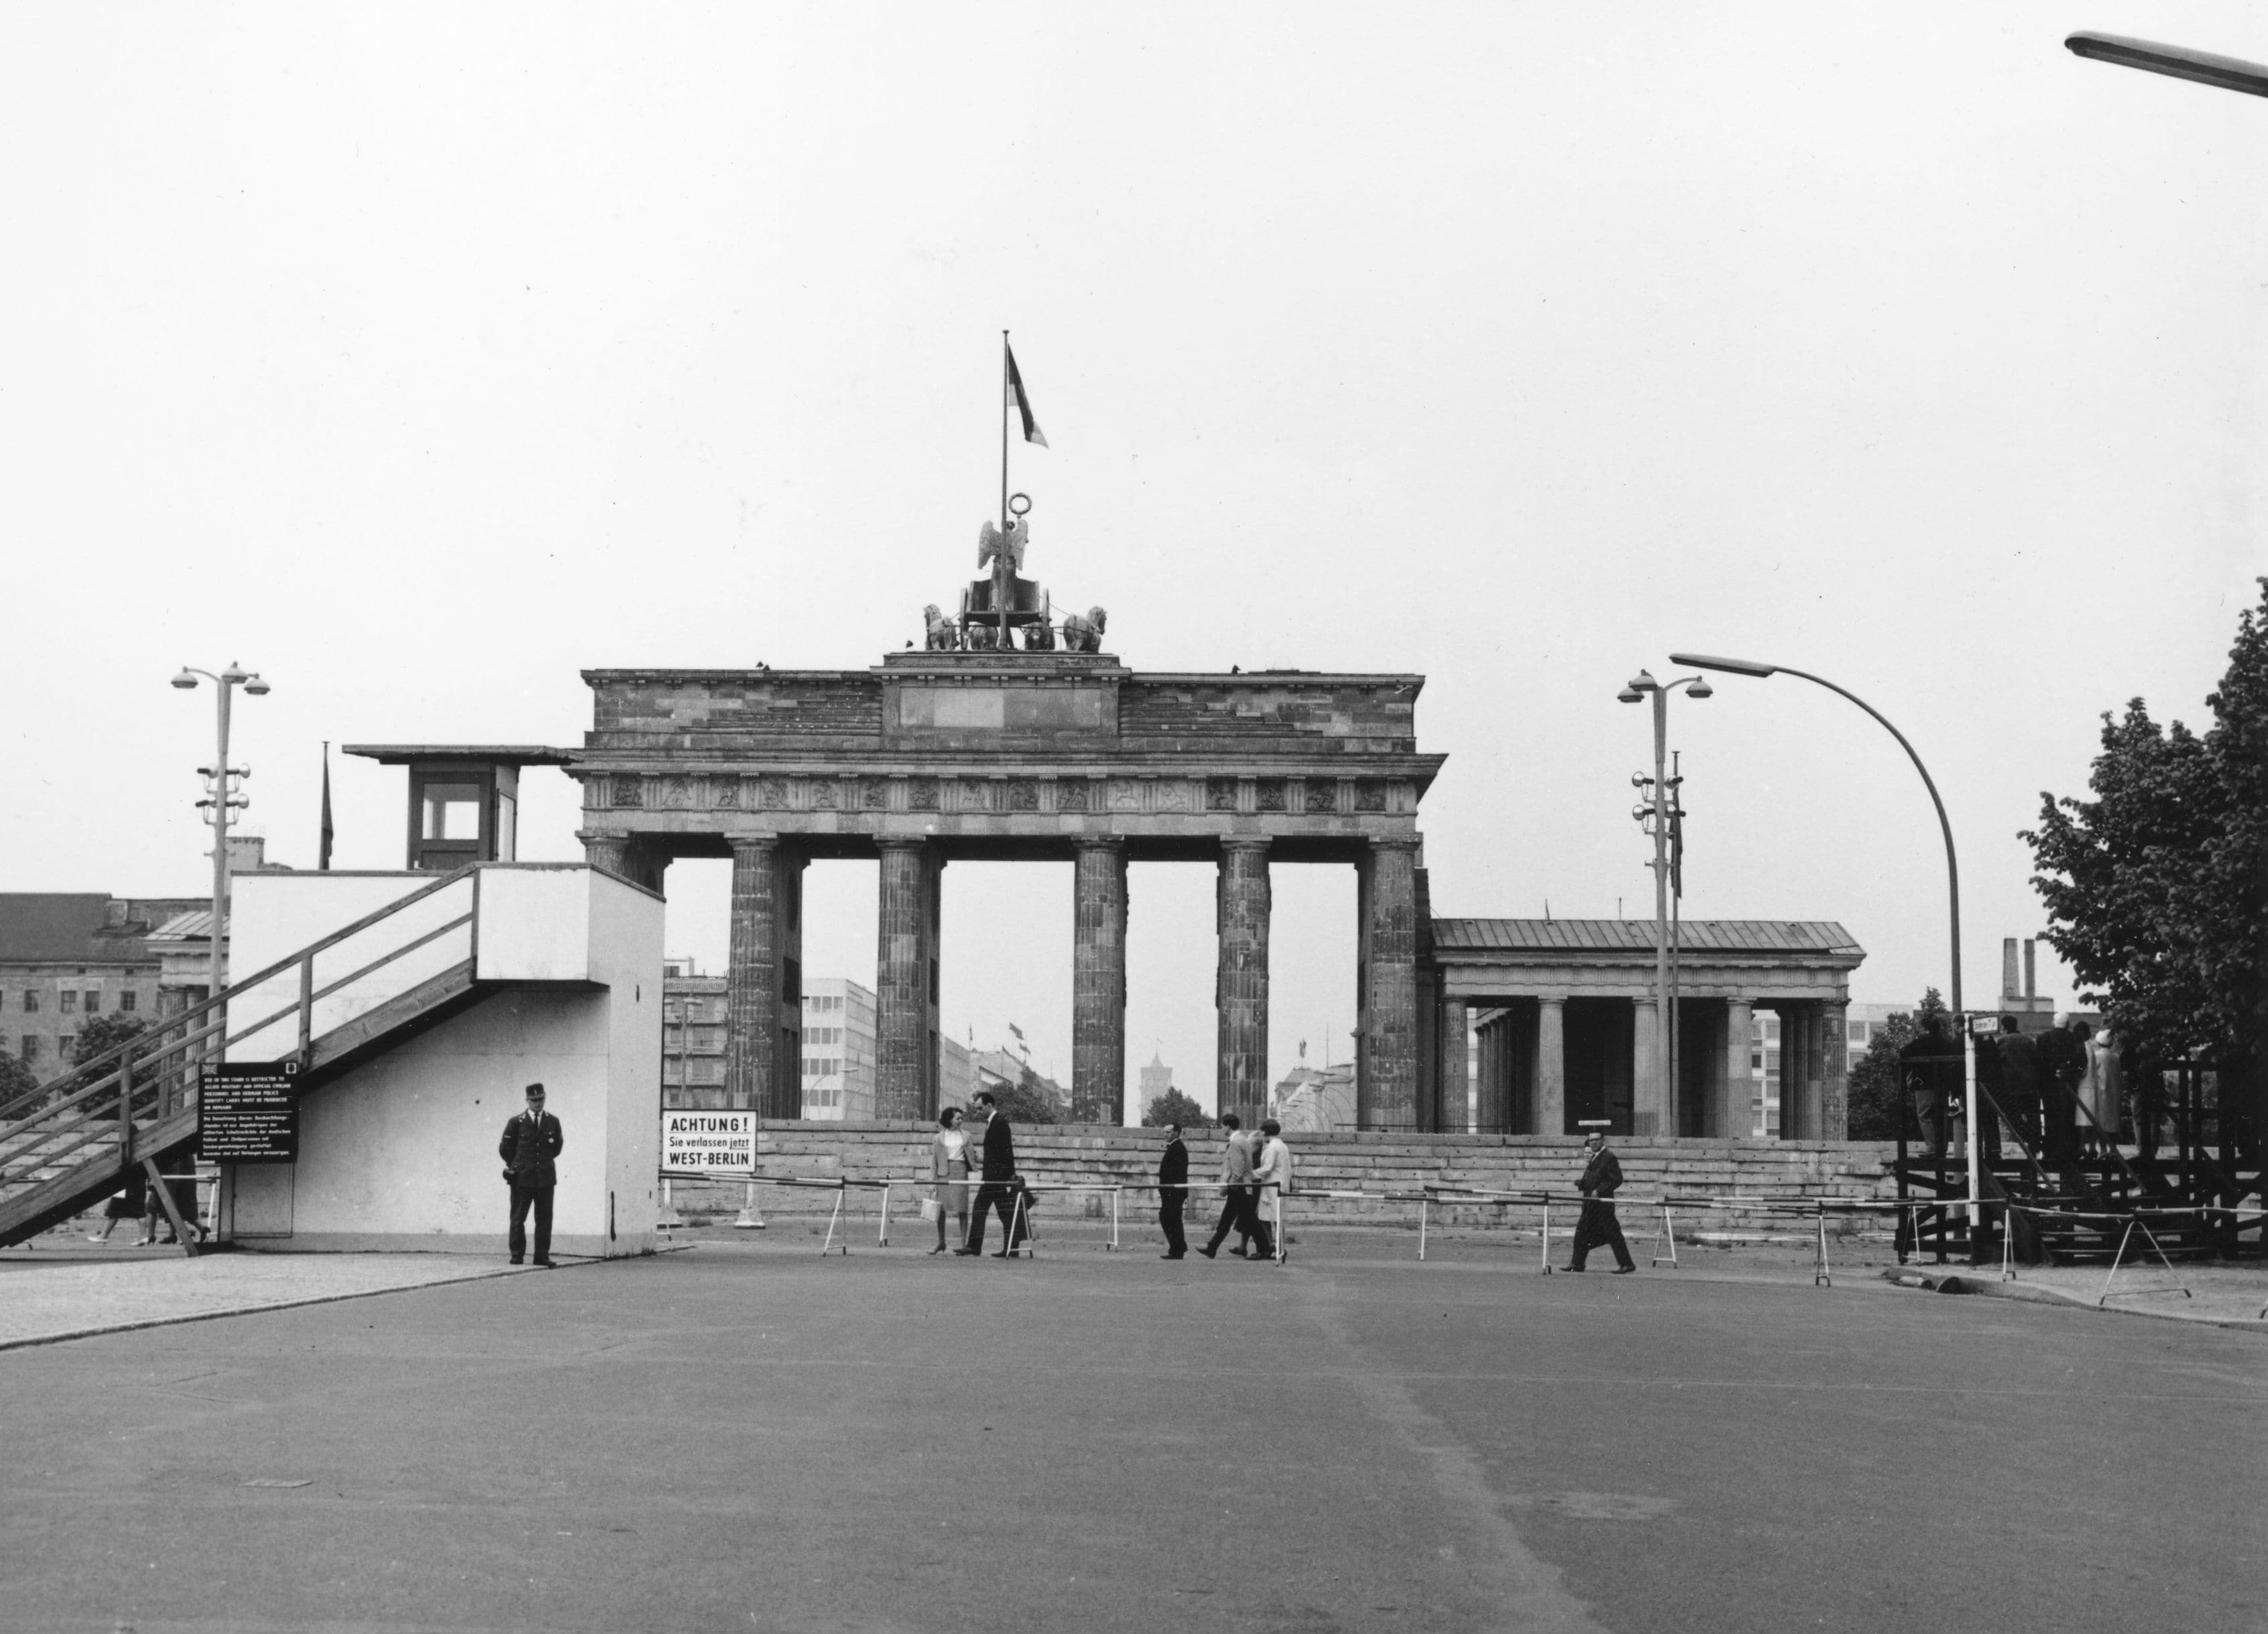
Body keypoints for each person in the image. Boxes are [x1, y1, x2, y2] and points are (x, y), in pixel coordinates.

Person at [498, 1081, 562, 1267]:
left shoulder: (553, 1121)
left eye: (540, 1099)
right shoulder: (516, 1122)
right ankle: (517, 1255)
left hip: (545, 1179)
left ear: (545, 1097)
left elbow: (556, 1148)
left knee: (544, 1219)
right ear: (527, 1100)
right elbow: (505, 1149)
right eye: (533, 1100)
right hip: (522, 1179)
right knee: (518, 1218)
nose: (537, 1103)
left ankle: (541, 1256)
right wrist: (517, 1165)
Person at [957, 1090, 1025, 1257]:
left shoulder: (999, 1122)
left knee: (983, 1209)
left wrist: (1008, 1176)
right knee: (1001, 1212)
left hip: (996, 1178)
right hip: (995, 1176)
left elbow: (1006, 1152)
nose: (978, 1112)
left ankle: (976, 1246)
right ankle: (1010, 1246)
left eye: (980, 1108)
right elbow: (998, 1153)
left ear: (989, 1105)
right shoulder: (994, 1122)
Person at [1567, 1129, 1635, 1274]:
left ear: (1603, 1140)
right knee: (1582, 1232)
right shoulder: (1595, 1156)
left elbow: (1617, 1179)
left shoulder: (1608, 1157)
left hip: (1602, 1204)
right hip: (1590, 1204)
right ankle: (1577, 1263)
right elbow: (1594, 1179)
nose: (1594, 1142)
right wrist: (1582, 1183)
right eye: (1591, 1140)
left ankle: (1626, 1264)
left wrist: (1599, 1191)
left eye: (1597, 1139)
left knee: (1611, 1233)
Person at [1196, 1112, 1258, 1260]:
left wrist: (1229, 1187)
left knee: (1232, 1220)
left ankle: (1213, 1247)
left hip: (1238, 1187)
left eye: (1222, 1126)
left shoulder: (1235, 1143)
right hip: (1243, 1186)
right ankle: (1213, 1247)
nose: (1221, 1129)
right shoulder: (1243, 1140)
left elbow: (1237, 1171)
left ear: (1228, 1127)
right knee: (1246, 1220)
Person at [929, 1106, 972, 1254]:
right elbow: (934, 1161)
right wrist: (932, 1183)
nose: (961, 1121)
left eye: (961, 1118)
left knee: (963, 1209)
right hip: (944, 1173)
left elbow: (973, 1155)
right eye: (958, 1118)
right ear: (949, 1120)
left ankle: (963, 1244)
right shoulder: (939, 1138)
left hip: (960, 1172)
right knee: (941, 1210)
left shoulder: (966, 1135)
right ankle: (941, 1242)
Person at [1250, 1119, 1292, 1262]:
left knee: (1272, 1218)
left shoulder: (1273, 1147)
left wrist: (1251, 1174)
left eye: (1262, 1131)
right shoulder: (1281, 1146)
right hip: (1276, 1185)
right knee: (1269, 1218)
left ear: (1267, 1132)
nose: (1261, 1133)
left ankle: (1277, 1248)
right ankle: (1274, 1247)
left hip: (1272, 1187)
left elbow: (1268, 1168)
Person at [1156, 1121, 1189, 1260]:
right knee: (1171, 1219)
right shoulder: (1174, 1147)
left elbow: (1176, 1173)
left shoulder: (1177, 1148)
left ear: (1176, 1133)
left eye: (1168, 1132)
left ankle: (1178, 1248)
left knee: (1170, 1218)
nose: (1165, 1134)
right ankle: (1177, 1247)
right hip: (1171, 1191)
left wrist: (1169, 1190)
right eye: (1164, 1132)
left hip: (1173, 1192)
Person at [87, 1167, 146, 1244]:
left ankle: (104, 1235)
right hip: (139, 1183)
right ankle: (143, 1236)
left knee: (114, 1210)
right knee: (140, 1211)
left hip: (126, 1184)